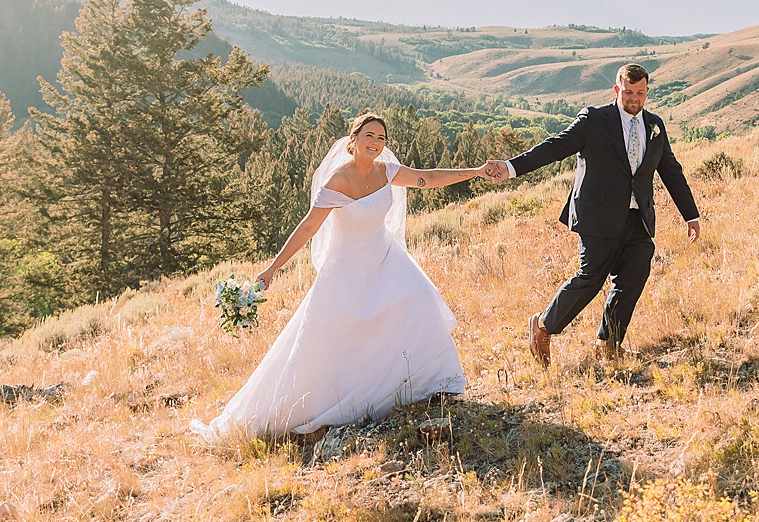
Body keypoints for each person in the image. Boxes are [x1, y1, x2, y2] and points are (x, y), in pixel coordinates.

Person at [191, 113, 508, 440]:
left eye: (382, 138)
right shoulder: (338, 181)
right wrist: (273, 268)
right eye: (369, 135)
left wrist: (475, 172)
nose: (376, 142)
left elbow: (427, 178)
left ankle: (432, 384)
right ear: (353, 140)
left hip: (385, 258)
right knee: (331, 343)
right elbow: (309, 227)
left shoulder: (387, 171)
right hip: (346, 271)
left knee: (420, 299)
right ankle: (317, 405)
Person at [487, 63, 699, 365]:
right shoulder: (595, 120)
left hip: (637, 218)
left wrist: (691, 215)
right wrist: (510, 168)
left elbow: (671, 171)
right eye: (628, 92)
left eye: (640, 93)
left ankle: (608, 344)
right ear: (617, 90)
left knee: (635, 271)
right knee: (590, 278)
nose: (634, 99)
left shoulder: (655, 126)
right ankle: (543, 326)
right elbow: (555, 147)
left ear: (647, 92)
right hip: (598, 216)